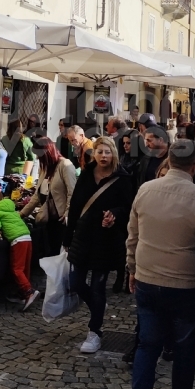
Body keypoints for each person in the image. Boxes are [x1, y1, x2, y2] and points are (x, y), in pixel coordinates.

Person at [124, 140, 195, 389]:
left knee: (147, 347)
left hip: (150, 278)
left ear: (169, 160)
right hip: (187, 284)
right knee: (185, 348)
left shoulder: (146, 190)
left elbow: (132, 235)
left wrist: (132, 269)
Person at [63, 136, 134, 353]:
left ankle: (95, 331)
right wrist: (67, 237)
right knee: (75, 282)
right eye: (100, 152)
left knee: (97, 286)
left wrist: (115, 215)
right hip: (84, 237)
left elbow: (129, 208)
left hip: (106, 239)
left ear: (114, 153)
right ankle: (98, 307)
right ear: (94, 154)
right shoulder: (86, 174)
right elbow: (75, 206)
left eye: (107, 152)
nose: (103, 156)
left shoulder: (123, 178)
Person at [20, 137, 76, 258]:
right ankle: (50, 276)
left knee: (58, 252)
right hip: (48, 218)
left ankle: (57, 276)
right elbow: (37, 195)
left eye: (39, 155)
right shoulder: (44, 167)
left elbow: (72, 193)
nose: (37, 158)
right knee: (49, 251)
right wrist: (22, 214)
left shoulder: (65, 165)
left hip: (61, 220)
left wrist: (67, 213)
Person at [0, 184, 40, 311]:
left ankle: (28, 292)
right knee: (25, 268)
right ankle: (22, 294)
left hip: (17, 239)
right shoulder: (11, 207)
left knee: (17, 269)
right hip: (27, 236)